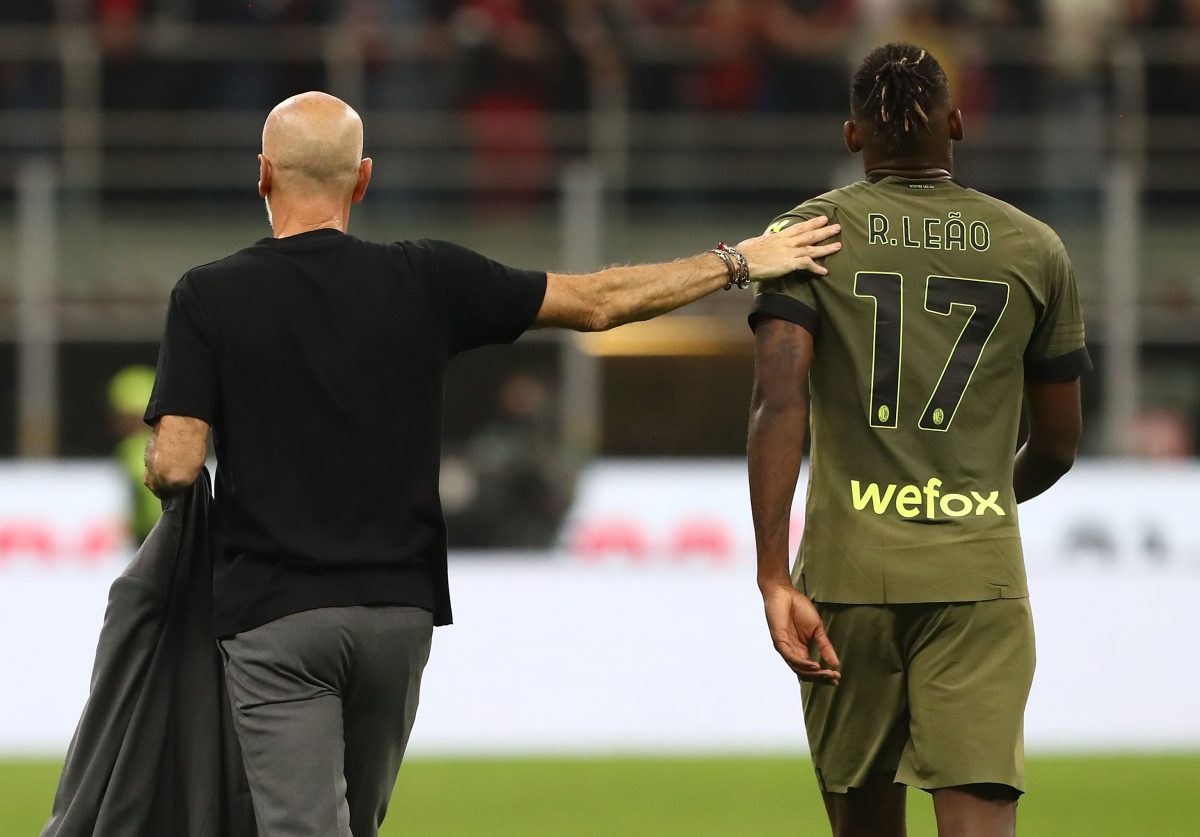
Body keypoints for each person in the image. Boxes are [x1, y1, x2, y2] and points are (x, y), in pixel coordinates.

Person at [140, 90, 840, 837]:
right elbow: (597, 302)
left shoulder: (208, 295)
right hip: (397, 617)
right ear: (364, 178)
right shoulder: (426, 277)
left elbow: (177, 464)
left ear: (263, 175)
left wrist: (161, 466)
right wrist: (738, 262)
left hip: (276, 615)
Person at [747, 43, 1089, 837]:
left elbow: (777, 399)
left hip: (846, 574)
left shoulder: (806, 235)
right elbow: (1060, 442)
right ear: (958, 122)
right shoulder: (1034, 247)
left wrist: (772, 573)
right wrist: (974, 499)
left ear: (852, 135)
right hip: (977, 574)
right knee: (979, 820)